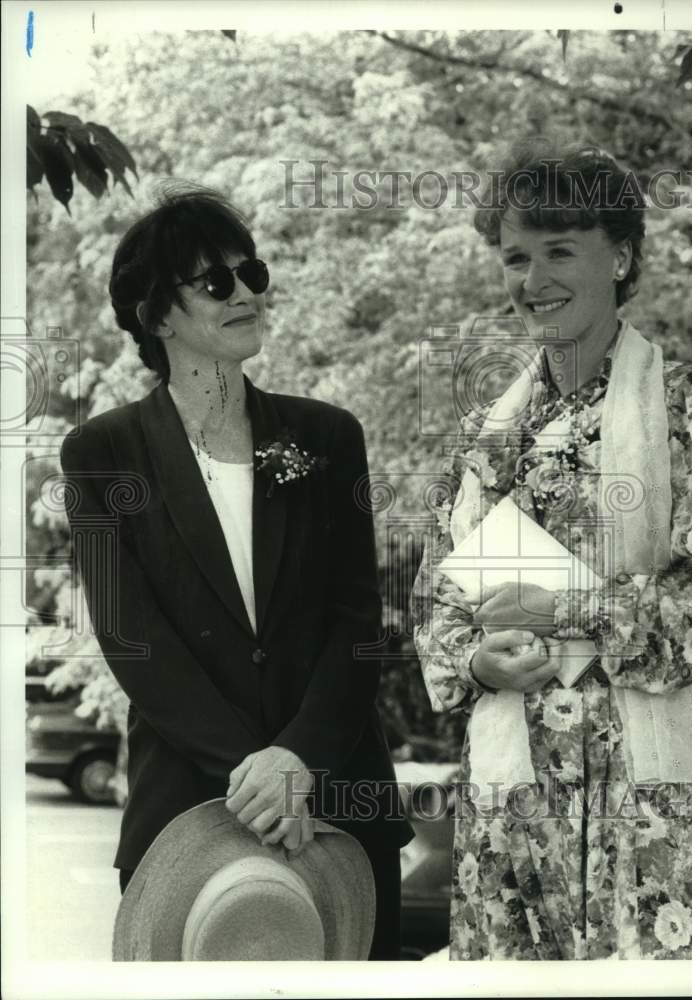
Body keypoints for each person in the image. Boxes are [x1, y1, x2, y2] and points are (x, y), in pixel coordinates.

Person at [411, 138, 692, 959]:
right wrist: (475, 661)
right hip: (511, 799)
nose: (533, 279)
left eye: (560, 250)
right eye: (516, 257)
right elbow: (434, 602)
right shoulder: (485, 437)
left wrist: (568, 609)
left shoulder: (687, 405)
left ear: (622, 256)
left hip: (646, 800)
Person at [59, 186, 412, 960]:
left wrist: (300, 762)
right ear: (157, 316)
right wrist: (256, 780)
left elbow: (358, 624)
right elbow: (133, 640)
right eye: (217, 281)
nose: (246, 293)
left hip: (340, 799)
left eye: (252, 272)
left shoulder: (328, 436)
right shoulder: (101, 454)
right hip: (188, 810)